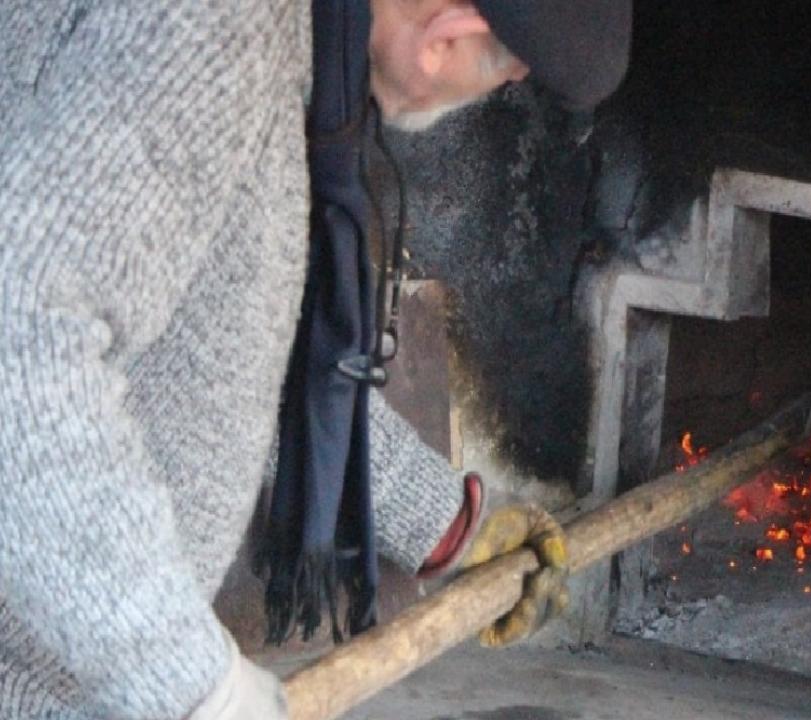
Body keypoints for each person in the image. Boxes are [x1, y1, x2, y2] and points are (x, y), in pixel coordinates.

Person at [0, 1, 631, 718]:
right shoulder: (211, 32)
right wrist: (190, 682)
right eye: (506, 73)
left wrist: (445, 520)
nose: (501, 89)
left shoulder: (284, 45)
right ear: (444, 38)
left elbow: (233, 342)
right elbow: (25, 347)